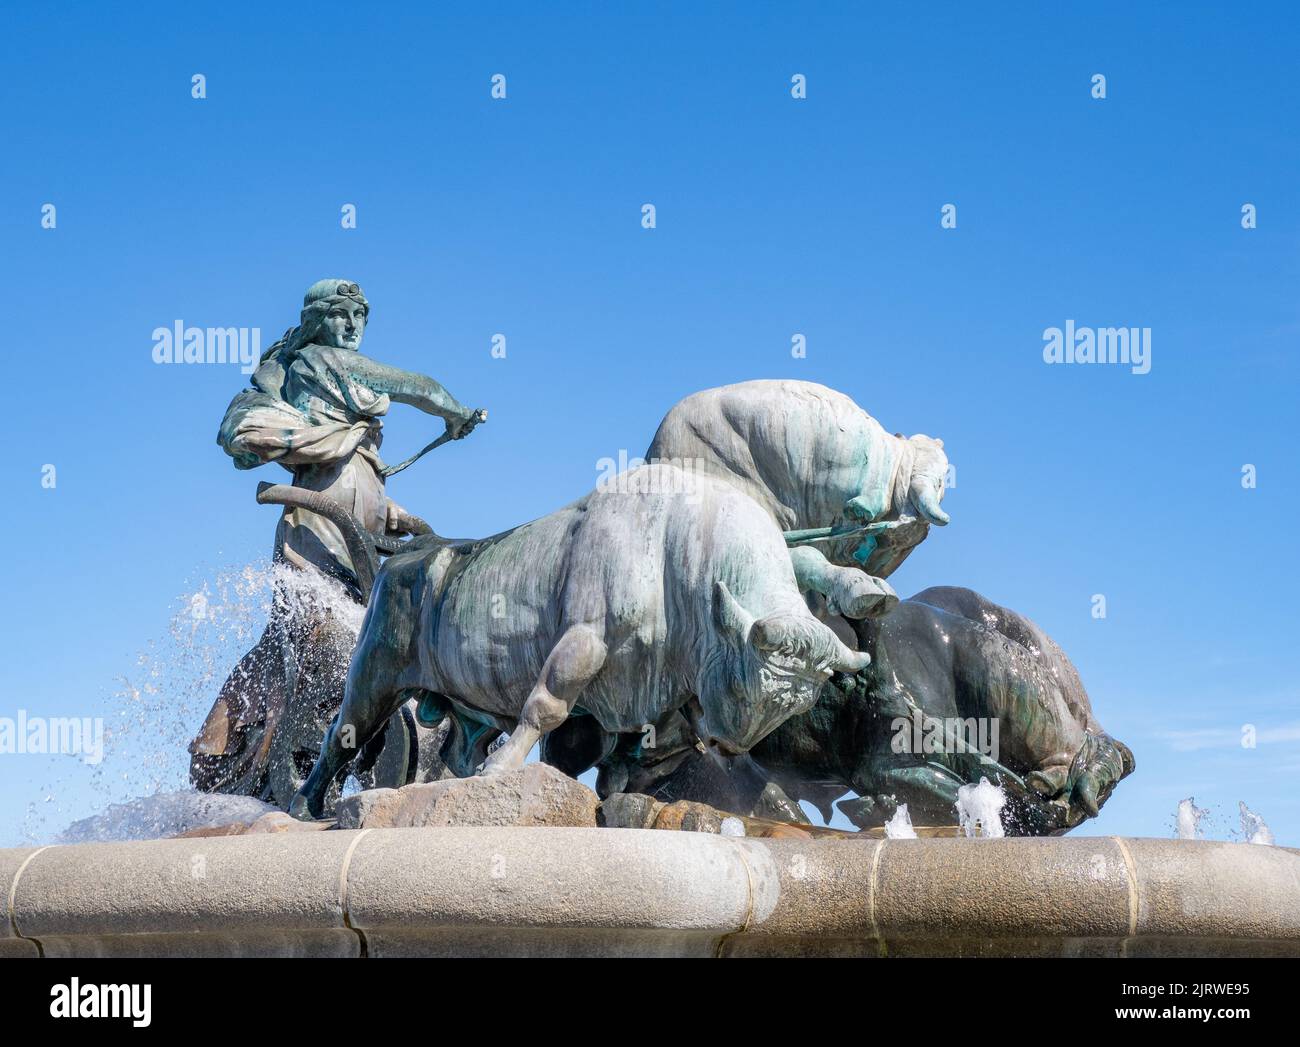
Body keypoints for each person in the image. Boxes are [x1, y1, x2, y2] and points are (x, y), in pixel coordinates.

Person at [189, 279, 483, 803]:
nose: (352, 327)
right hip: (316, 540)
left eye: (360, 318)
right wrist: (455, 413)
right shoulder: (323, 362)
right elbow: (420, 386)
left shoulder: (341, 417)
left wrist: (394, 516)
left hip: (358, 547)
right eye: (342, 315)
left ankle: (266, 739)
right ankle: (268, 747)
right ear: (320, 321)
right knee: (322, 640)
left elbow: (364, 486)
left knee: (335, 642)